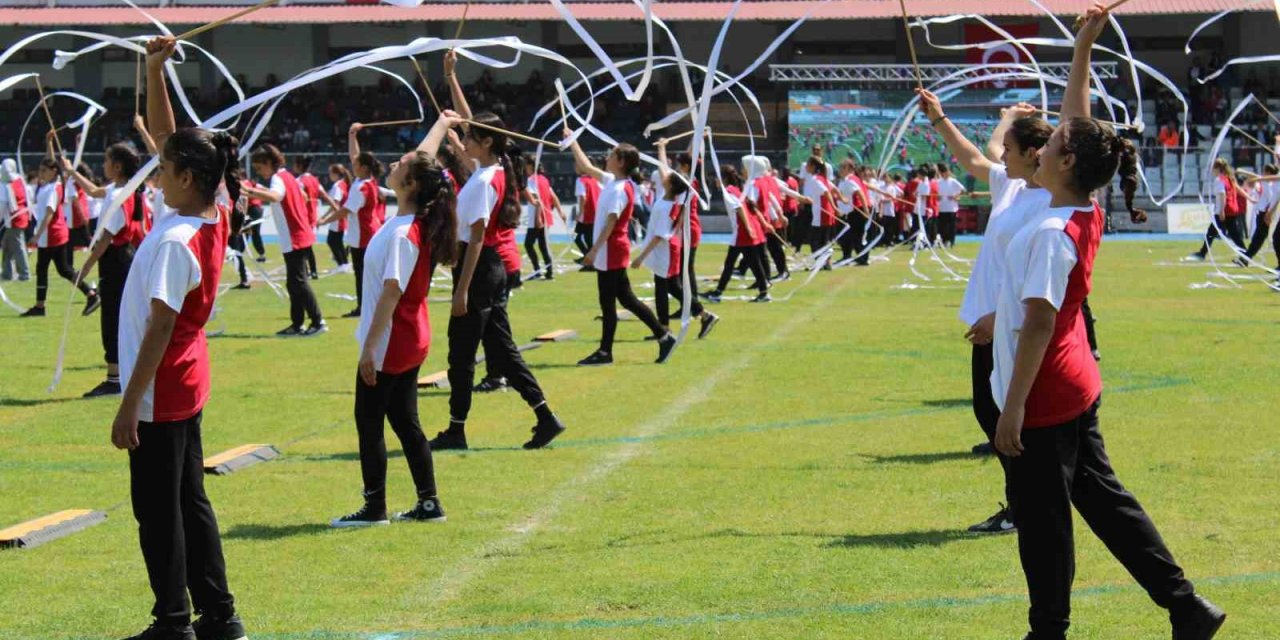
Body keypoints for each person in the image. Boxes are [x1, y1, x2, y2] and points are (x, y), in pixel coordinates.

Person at [991, 8, 1224, 638]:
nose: (1043, 146)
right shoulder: (1077, 205)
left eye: (1053, 147)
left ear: (1064, 165)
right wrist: (1083, 48)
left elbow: (1038, 324)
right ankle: (1187, 606)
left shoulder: (1049, 226)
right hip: (1074, 381)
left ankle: (1049, 630)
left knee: (1044, 525)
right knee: (1105, 503)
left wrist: (1010, 411)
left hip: (1045, 393)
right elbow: (1079, 124)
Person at [112, 35, 246, 640]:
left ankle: (174, 621)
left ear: (188, 178)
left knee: (159, 514)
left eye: (164, 169)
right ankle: (220, 617)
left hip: (162, 390)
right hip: (187, 382)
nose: (157, 172)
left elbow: (160, 327)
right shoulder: (209, 212)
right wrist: (154, 68)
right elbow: (172, 139)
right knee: (191, 504)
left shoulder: (174, 238)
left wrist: (127, 403)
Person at [920, 89, 1054, 535]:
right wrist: (940, 118)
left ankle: (1026, 506)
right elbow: (978, 157)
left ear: (1033, 154)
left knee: (1007, 418)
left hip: (1011, 328)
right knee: (988, 412)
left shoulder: (1050, 203)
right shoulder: (1013, 185)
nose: (1002, 155)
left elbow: (1040, 278)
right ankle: (1025, 503)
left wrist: (1000, 317)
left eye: (1012, 150)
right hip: (988, 323)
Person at [429, 49, 566, 450]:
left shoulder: (488, 179)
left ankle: (456, 430)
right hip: (488, 271)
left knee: (461, 354)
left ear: (486, 143)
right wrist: (452, 77)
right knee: (502, 352)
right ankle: (545, 417)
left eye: (470, 137)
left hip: (480, 270)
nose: (463, 139)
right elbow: (470, 119)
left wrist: (461, 290)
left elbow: (474, 241)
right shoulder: (494, 165)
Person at [330, 115, 459, 528]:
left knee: (369, 423)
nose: (395, 163)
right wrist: (441, 123)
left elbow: (391, 291)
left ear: (411, 185)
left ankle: (374, 508)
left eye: (401, 164)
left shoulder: (405, 232)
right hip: (406, 337)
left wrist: (369, 347)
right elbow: (424, 158)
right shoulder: (411, 218)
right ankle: (428, 503)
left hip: (392, 341)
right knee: (405, 421)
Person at [565, 127, 677, 366]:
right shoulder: (613, 181)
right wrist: (573, 140)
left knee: (610, 302)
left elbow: (611, 221)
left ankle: (607, 352)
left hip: (611, 250)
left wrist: (594, 251)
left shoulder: (620, 189)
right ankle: (662, 336)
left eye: (612, 155)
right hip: (611, 250)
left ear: (621, 161)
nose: (607, 158)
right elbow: (586, 167)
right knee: (625, 299)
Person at [62, 144, 150, 398]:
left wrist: (84, 270)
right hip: (127, 258)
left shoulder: (118, 195)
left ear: (118, 166)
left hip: (115, 260)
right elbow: (93, 190)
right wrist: (71, 171)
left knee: (111, 319)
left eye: (106, 160)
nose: (103, 165)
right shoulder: (125, 189)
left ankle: (114, 379)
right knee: (122, 316)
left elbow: (105, 238)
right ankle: (125, 373)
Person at [633, 138, 720, 338]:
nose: (666, 175)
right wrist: (662, 147)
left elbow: (666, 172)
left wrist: (641, 256)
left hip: (673, 241)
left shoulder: (678, 193)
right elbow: (666, 171)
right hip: (674, 239)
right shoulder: (676, 190)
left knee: (668, 284)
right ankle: (700, 315)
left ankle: (664, 328)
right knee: (671, 284)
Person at [242, 144, 326, 336]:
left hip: (295, 237)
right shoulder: (287, 177)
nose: (259, 172)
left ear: (269, 163)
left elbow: (276, 196)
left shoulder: (278, 179)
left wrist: (249, 191)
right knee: (294, 283)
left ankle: (317, 321)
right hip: (298, 235)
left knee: (299, 282)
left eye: (260, 167)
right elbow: (301, 195)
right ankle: (297, 324)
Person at [22, 152, 99, 318]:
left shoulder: (53, 188)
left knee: (44, 268)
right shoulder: (51, 185)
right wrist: (48, 143)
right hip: (54, 234)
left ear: (53, 172)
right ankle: (90, 294)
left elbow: (49, 214)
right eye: (40, 170)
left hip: (52, 235)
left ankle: (40, 306)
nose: (40, 173)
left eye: (44, 170)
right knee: (64, 269)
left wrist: (36, 236)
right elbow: (52, 159)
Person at [319, 128, 385, 318]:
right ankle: (367, 307)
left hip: (363, 236)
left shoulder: (361, 187)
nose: (352, 164)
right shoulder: (367, 180)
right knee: (365, 274)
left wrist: (324, 220)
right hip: (367, 233)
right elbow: (355, 154)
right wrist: (352, 135)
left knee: (362, 275)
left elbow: (345, 211)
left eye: (356, 164)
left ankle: (364, 308)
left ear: (364, 167)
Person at [1185, 158, 1248, 261]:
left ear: (1218, 168)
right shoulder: (1229, 178)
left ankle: (1202, 253)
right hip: (1231, 210)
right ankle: (1245, 255)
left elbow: (1222, 195)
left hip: (1223, 211)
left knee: (1212, 233)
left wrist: (1221, 210)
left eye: (1214, 168)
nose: (1212, 171)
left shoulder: (1220, 180)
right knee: (1232, 234)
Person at [522, 157, 562, 280]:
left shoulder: (531, 180)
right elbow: (553, 197)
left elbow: (537, 200)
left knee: (528, 244)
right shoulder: (544, 179)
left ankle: (537, 271)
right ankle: (549, 272)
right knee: (543, 246)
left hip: (537, 218)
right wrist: (560, 212)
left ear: (530, 166)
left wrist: (538, 217)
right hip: (546, 217)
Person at [292, 155, 323, 279]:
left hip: (303, 217)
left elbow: (301, 197)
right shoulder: (314, 180)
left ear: (299, 166)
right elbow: (324, 194)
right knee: (308, 246)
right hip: (313, 217)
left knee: (302, 247)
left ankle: (305, 271)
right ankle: (313, 271)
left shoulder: (299, 181)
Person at [0, 158, 31, 281]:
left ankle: (24, 274)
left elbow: (2, 205)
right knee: (8, 246)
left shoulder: (6, 184)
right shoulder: (19, 179)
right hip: (21, 216)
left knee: (18, 247)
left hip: (14, 219)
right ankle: (7, 273)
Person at [319, 163, 352, 270]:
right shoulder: (344, 184)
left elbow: (335, 205)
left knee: (332, 241)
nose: (329, 175)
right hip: (341, 217)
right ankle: (344, 263)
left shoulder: (337, 186)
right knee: (336, 241)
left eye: (330, 173)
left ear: (335, 174)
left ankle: (342, 264)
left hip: (337, 218)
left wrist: (324, 218)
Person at [573, 155, 602, 266]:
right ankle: (588, 258)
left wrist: (579, 213)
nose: (575, 167)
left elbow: (583, 197)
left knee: (576, 237)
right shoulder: (595, 180)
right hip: (595, 213)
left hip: (586, 215)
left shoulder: (580, 180)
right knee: (589, 238)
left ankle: (588, 259)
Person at [936, 163, 967, 247]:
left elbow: (963, 190)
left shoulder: (953, 181)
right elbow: (935, 192)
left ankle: (951, 241)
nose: (944, 174)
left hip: (951, 208)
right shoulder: (938, 182)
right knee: (942, 226)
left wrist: (955, 196)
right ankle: (943, 240)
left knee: (951, 226)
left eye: (945, 172)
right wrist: (937, 197)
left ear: (948, 172)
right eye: (942, 173)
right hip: (942, 207)